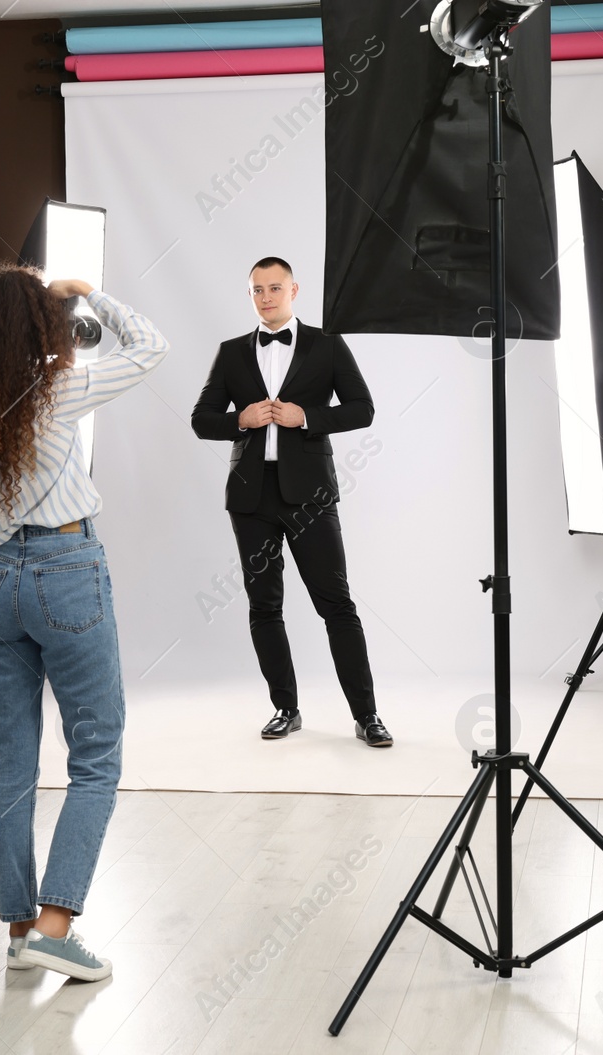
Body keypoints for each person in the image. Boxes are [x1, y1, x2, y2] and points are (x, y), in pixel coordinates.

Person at [0, 264, 167, 981]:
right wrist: (82, 293)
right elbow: (151, 345)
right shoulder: (56, 388)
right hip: (66, 572)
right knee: (95, 757)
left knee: (10, 766)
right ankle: (58, 927)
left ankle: (20, 927)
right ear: (29, 325)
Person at [190, 256, 392, 747]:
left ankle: (367, 716)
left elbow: (363, 409)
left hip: (311, 499)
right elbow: (201, 419)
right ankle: (285, 707)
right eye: (257, 290)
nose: (266, 297)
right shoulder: (232, 352)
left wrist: (307, 416)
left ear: (294, 290)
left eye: (274, 288)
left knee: (337, 606)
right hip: (252, 499)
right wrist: (242, 420)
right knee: (265, 607)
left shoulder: (326, 344)